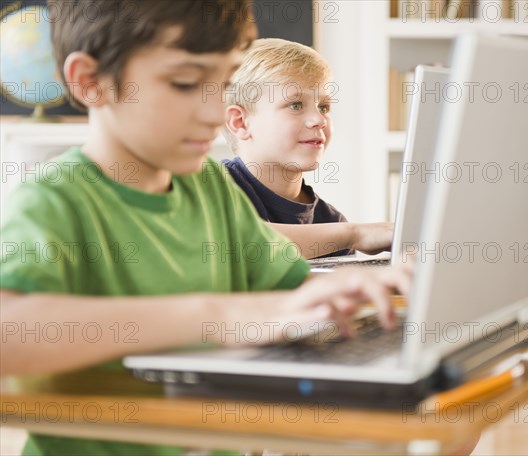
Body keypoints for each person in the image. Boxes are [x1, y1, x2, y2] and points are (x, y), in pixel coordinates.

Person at [0, 1, 411, 455]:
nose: (216, 113)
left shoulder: (210, 187)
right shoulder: (56, 200)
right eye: (185, 83)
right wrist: (214, 317)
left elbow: (295, 297)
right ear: (92, 82)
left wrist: (369, 286)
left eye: (225, 82)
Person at [222, 38, 393, 259]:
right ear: (241, 123)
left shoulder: (332, 222)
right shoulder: (214, 188)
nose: (319, 119)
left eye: (324, 107)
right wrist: (354, 234)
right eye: (295, 105)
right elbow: (239, 241)